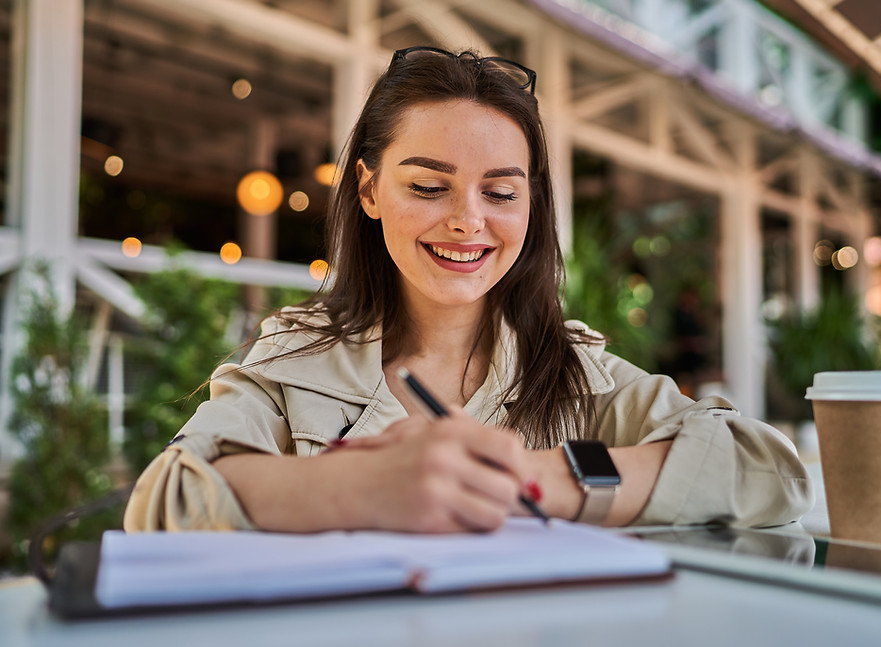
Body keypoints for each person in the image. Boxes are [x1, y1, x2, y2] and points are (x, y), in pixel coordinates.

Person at [124, 47, 813, 534]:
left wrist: (526, 483)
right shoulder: (295, 359)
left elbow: (767, 470)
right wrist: (356, 486)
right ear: (368, 189)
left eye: (502, 192)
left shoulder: (574, 371)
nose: (468, 220)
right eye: (428, 186)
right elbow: (166, 500)